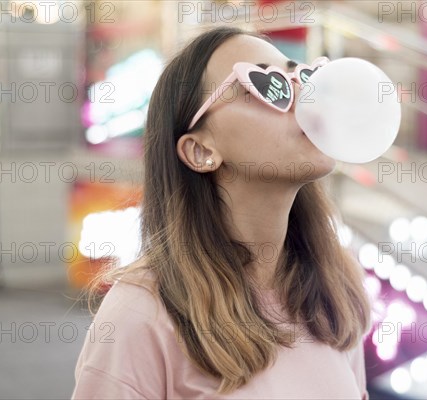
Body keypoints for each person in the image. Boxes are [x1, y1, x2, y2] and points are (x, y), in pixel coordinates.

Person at [72, 26, 371, 399]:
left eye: (304, 77)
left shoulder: (336, 288)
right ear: (200, 150)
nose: (303, 96)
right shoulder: (139, 315)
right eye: (268, 84)